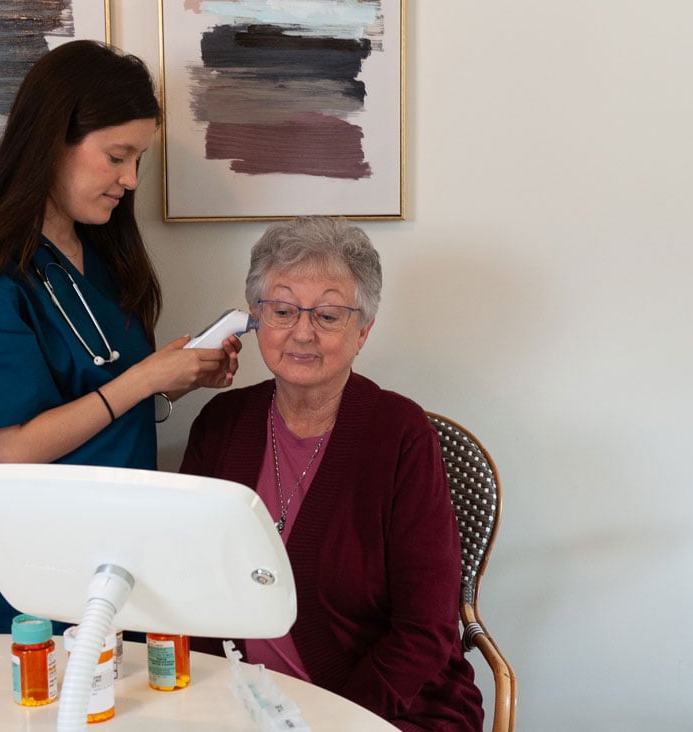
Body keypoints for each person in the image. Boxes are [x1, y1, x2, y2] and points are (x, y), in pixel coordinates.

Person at [0, 40, 239, 634]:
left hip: (113, 554)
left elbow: (98, 397)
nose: (131, 179)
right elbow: (11, 449)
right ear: (51, 139)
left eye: (138, 158)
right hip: (21, 560)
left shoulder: (102, 255)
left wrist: (178, 380)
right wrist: (144, 378)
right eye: (118, 156)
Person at [180, 217, 483, 731]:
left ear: (362, 330)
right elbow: (187, 581)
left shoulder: (400, 433)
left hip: (384, 708)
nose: (302, 332)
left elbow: (426, 630)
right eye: (282, 310)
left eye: (327, 314)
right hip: (239, 704)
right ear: (256, 319)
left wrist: (332, 721)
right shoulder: (221, 424)